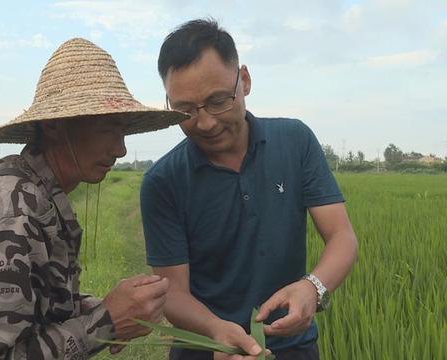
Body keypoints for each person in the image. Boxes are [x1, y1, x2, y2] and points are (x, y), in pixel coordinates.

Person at [0, 38, 188, 360]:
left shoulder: (38, 196)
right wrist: (104, 322)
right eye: (108, 128)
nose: (120, 149)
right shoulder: (13, 215)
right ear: (54, 126)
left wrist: (105, 310)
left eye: (123, 132)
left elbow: (36, 306)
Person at [140, 19, 358, 360]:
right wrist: (215, 330)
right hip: (206, 349)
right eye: (184, 110)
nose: (206, 122)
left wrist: (312, 288)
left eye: (217, 101)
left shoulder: (295, 141)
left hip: (290, 347)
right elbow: (174, 293)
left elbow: (342, 236)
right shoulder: (162, 181)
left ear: (244, 80)